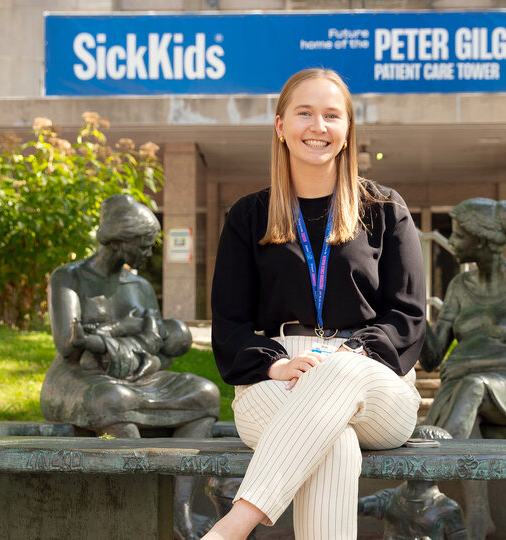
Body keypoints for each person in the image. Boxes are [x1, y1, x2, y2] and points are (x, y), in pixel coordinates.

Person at [204, 68, 426, 540]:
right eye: (304, 113)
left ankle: (233, 526)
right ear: (280, 126)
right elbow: (229, 322)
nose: (317, 127)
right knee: (335, 444)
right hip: (278, 374)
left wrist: (354, 354)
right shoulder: (248, 215)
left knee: (339, 375)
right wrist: (273, 365)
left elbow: (408, 315)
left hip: (372, 377)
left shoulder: (385, 209)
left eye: (331, 115)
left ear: (347, 132)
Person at [40, 194, 219, 539]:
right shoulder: (69, 277)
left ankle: (179, 513)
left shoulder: (140, 286)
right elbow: (67, 343)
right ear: (122, 241)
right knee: (113, 400)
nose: (149, 254)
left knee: (204, 393)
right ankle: (139, 516)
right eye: (144, 245)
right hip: (80, 377)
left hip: (138, 376)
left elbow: (158, 346)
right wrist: (116, 342)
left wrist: (147, 359)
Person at [418, 197, 506, 538]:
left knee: (471, 385)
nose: (452, 242)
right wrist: (411, 307)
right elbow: (433, 357)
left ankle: (420, 483)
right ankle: (479, 515)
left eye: (458, 236)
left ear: (482, 240)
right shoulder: (459, 288)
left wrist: (469, 362)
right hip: (477, 389)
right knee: (471, 395)